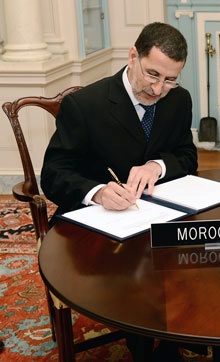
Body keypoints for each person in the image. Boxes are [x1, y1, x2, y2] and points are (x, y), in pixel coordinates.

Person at [41, 21, 199, 361]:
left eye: (170, 79)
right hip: (97, 227)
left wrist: (158, 166)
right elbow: (53, 174)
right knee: (135, 270)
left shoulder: (179, 100)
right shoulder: (85, 105)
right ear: (132, 57)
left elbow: (187, 157)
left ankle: (175, 338)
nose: (158, 90)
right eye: (152, 74)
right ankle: (142, 343)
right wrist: (96, 191)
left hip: (158, 216)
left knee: (204, 251)